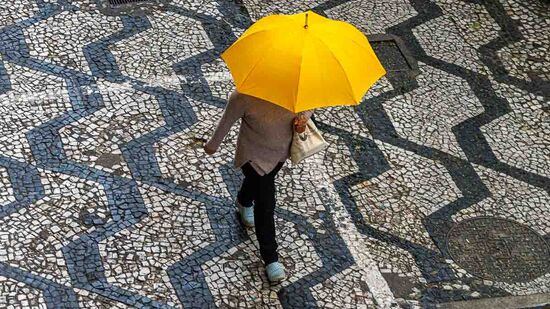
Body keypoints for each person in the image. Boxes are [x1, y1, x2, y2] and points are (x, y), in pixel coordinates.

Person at [204, 91, 312, 283]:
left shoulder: (298, 94)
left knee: (258, 185)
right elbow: (226, 123)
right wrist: (212, 145)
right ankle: (271, 258)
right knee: (266, 202)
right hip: (252, 156)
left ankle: (244, 200)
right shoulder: (243, 96)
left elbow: (308, 112)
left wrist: (303, 123)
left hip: (279, 156)